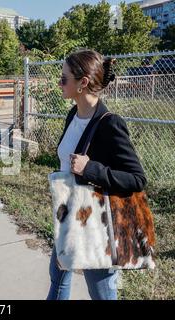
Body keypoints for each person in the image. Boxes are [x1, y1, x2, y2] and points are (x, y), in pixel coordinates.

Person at [47, 49, 147, 300]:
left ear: (82, 83)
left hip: (96, 223)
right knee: (57, 278)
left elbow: (137, 179)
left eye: (64, 78)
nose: (60, 83)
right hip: (67, 213)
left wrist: (91, 168)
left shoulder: (109, 123)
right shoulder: (73, 114)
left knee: (101, 292)